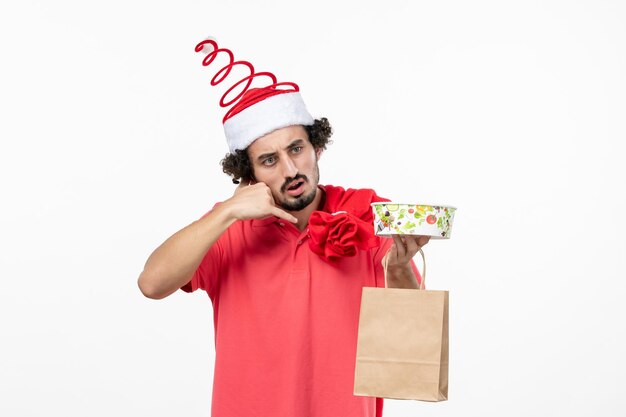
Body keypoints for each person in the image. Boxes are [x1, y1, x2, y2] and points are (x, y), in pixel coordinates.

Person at [137, 38, 430, 417]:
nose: (290, 171)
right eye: (269, 160)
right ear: (250, 173)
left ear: (317, 148)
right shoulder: (229, 227)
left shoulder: (365, 212)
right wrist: (226, 212)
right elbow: (151, 284)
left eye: (296, 149)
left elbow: (410, 346)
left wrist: (401, 267)